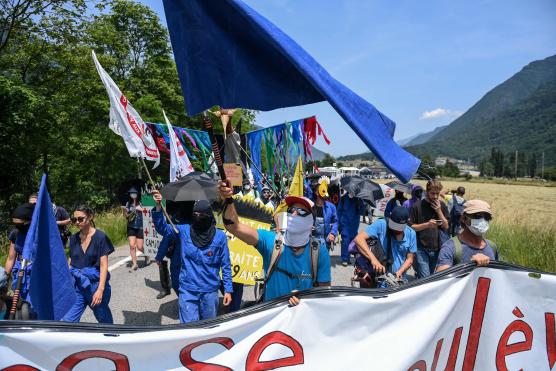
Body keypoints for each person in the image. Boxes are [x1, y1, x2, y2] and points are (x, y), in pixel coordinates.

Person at [219, 181, 331, 305]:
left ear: (311, 222)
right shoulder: (271, 241)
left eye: (301, 211)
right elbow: (234, 227)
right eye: (291, 209)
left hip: (302, 320)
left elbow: (324, 296)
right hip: (272, 319)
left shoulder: (319, 251)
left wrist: (304, 303)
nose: (293, 214)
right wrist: (228, 199)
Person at [152, 192, 233, 323]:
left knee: (207, 329)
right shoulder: (184, 231)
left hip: (210, 291)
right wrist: (158, 206)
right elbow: (163, 229)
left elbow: (226, 264)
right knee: (188, 329)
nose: (198, 217)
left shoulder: (220, 237)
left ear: (209, 216)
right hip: (188, 290)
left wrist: (228, 290)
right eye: (195, 214)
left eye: (201, 215)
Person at [62, 205, 114, 323]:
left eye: (80, 219)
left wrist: (100, 290)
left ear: (90, 217)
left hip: (95, 285)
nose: (77, 222)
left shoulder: (100, 237)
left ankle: (111, 339)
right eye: (74, 220)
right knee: (68, 321)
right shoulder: (74, 239)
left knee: (104, 320)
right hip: (78, 285)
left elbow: (103, 265)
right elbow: (71, 262)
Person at [354, 206, 417, 284]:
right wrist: (373, 259)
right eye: (394, 226)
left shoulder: (411, 234)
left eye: (399, 228)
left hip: (397, 281)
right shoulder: (381, 224)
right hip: (377, 278)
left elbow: (410, 259)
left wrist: (400, 271)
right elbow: (359, 239)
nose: (396, 230)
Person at [436, 200, 498, 272]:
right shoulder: (450, 247)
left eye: (487, 217)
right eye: (477, 216)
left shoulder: (492, 247)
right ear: (463, 218)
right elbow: (441, 277)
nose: (482, 221)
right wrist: (470, 265)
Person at [409, 180, 449, 279]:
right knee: (426, 278)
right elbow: (411, 227)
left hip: (437, 249)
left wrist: (439, 211)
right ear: (426, 191)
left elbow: (446, 226)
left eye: (437, 193)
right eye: (432, 193)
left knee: (430, 278)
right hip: (420, 249)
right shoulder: (417, 206)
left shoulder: (442, 206)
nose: (435, 196)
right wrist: (427, 225)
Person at [4, 203, 35, 315]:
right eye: (15, 224)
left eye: (20, 224)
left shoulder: (39, 234)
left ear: (29, 221)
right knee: (19, 306)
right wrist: (5, 278)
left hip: (35, 273)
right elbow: (11, 258)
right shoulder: (15, 233)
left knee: (32, 308)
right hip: (20, 272)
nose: (17, 227)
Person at [337, 189, 365, 266]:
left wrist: (361, 203)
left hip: (354, 225)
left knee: (352, 242)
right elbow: (339, 211)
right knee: (345, 241)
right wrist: (338, 223)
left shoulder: (359, 199)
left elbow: (362, 212)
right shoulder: (343, 199)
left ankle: (349, 257)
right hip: (345, 224)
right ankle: (345, 258)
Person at [311, 177, 338, 252]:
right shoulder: (310, 206)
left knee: (324, 261)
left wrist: (332, 233)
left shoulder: (331, 207)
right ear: (316, 192)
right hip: (312, 240)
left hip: (326, 240)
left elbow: (335, 222)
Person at [122, 187, 145, 271]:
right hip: (131, 226)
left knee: (139, 247)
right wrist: (125, 211)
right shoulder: (128, 203)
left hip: (140, 226)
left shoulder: (142, 202)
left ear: (137, 194)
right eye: (131, 193)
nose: (133, 194)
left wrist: (141, 209)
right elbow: (126, 217)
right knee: (132, 245)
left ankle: (146, 254)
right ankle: (134, 263)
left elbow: (147, 212)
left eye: (134, 193)